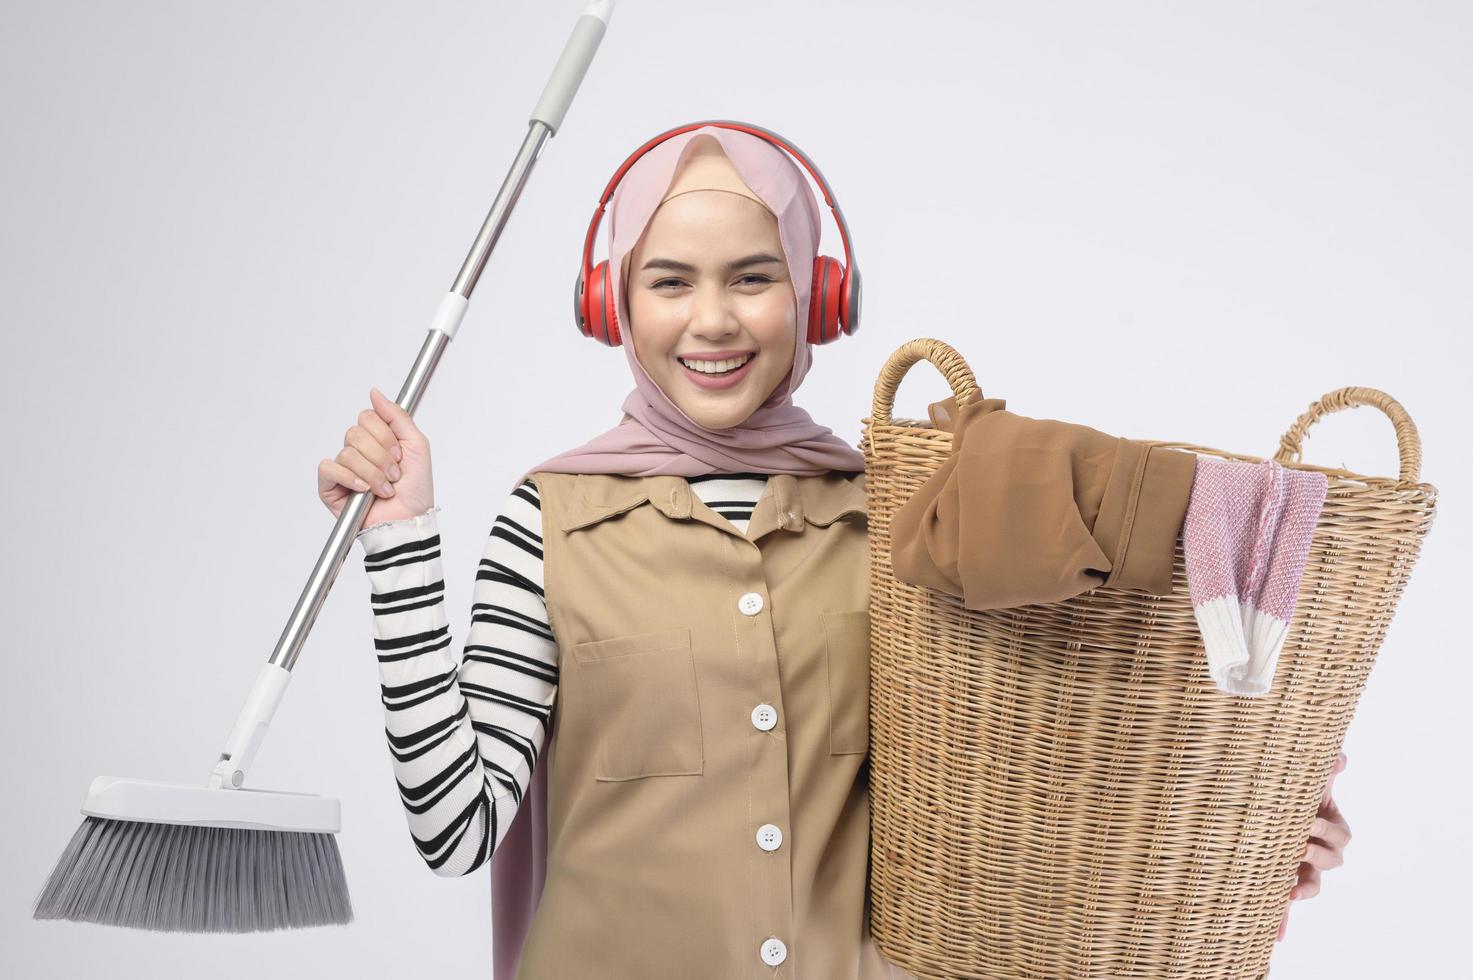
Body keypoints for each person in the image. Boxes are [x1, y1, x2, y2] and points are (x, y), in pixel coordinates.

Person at [315, 123, 1352, 977]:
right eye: (669, 280)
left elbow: (1041, 764)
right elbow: (454, 827)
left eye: (753, 276)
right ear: (616, 303)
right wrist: (401, 538)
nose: (712, 318)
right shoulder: (548, 520)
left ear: (814, 294)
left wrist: (1249, 828)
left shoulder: (913, 517)